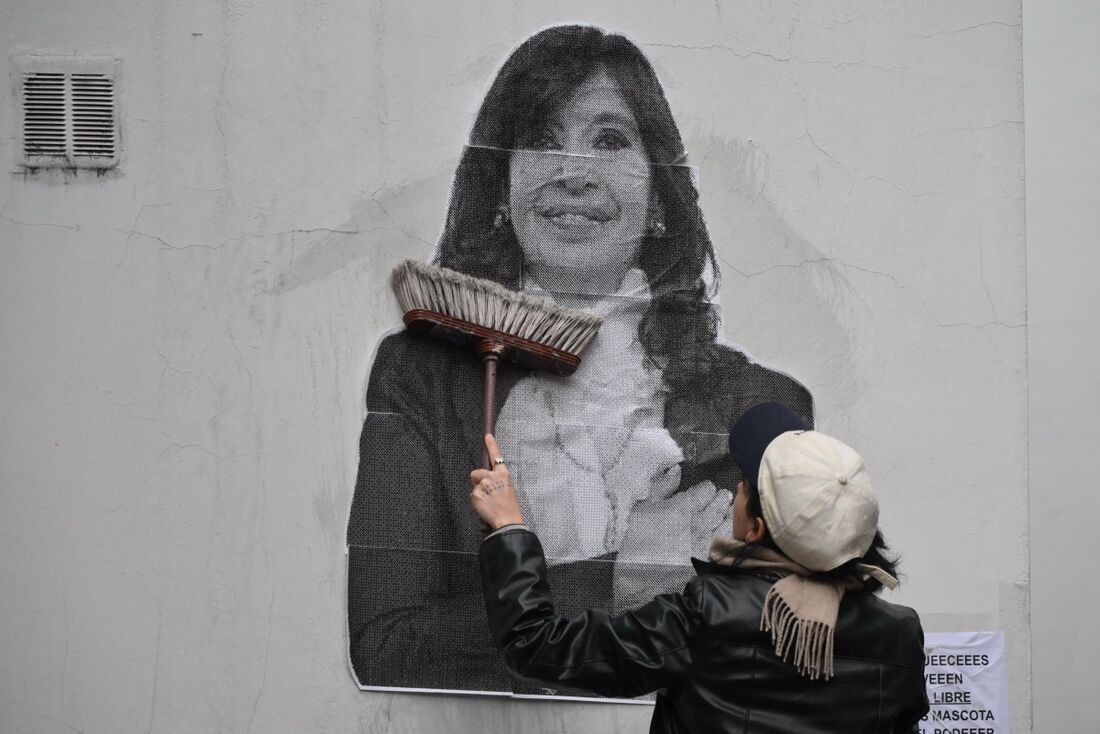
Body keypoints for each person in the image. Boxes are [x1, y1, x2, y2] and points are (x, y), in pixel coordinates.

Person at [346, 25, 813, 694]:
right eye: (541, 139)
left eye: (610, 140)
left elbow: (775, 653)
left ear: (658, 199)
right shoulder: (419, 377)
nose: (573, 172)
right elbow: (390, 646)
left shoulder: (763, 409)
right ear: (501, 190)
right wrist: (618, 581)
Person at [470, 403, 929, 732]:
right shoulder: (900, 637)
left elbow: (536, 644)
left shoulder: (710, 616)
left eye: (744, 487)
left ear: (756, 528)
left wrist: (509, 526)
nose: (735, 491)